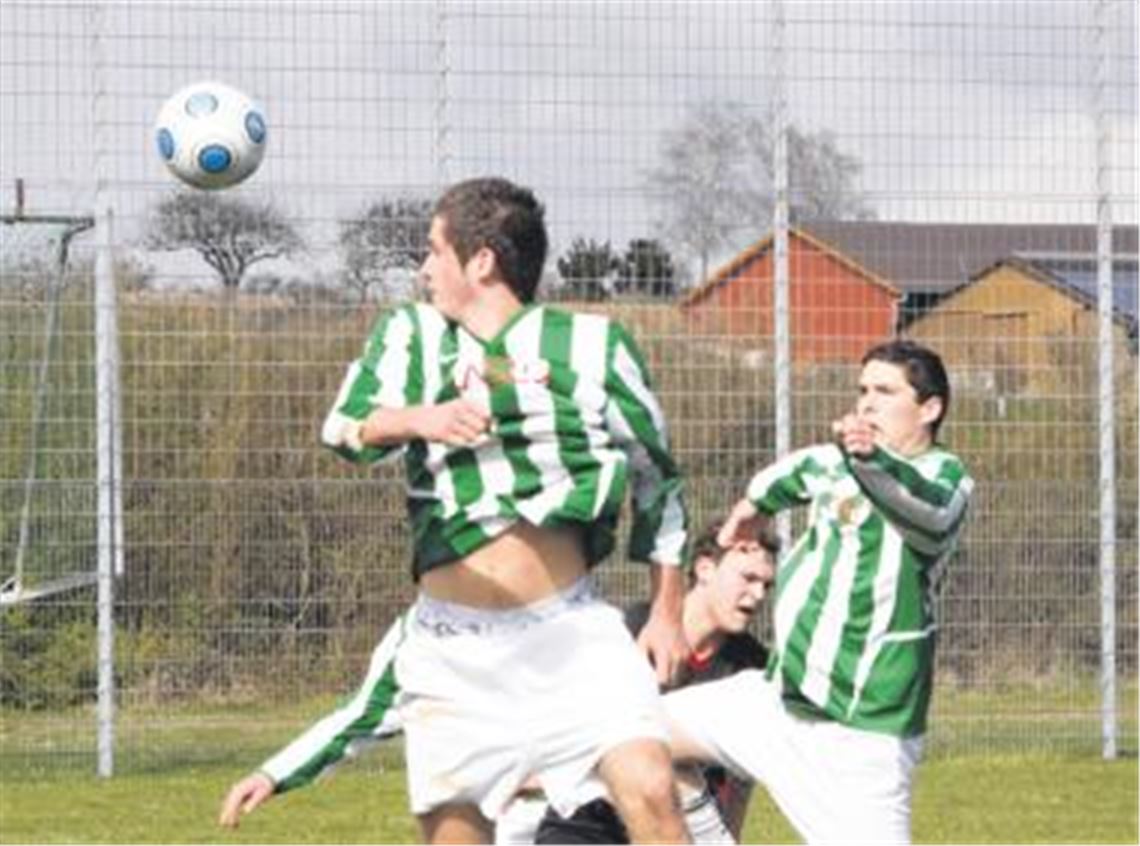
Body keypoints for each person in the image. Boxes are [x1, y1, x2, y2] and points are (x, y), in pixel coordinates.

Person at [223, 177, 691, 844]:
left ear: (482, 261)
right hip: (453, 656)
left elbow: (658, 482)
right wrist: (423, 418)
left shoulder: (595, 346)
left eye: (433, 252)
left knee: (651, 790)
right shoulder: (411, 334)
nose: (422, 270)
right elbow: (345, 429)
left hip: (570, 634)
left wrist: (667, 610)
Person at [218, 519, 776, 845]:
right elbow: (366, 713)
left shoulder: (585, 625)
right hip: (562, 822)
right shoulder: (429, 637)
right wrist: (276, 772)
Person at [663, 340, 973, 845]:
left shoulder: (945, 478)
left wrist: (870, 461)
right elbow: (802, 468)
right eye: (863, 390)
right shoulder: (841, 463)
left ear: (930, 408)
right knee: (630, 737)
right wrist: (753, 504)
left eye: (885, 391)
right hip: (775, 704)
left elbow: (929, 513)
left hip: (861, 738)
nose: (867, 402)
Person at [534, 519, 778, 845]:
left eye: (766, 584)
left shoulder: (751, 666)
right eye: (748, 578)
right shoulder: (631, 635)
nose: (759, 594)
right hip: (591, 828)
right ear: (705, 569)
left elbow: (740, 781)